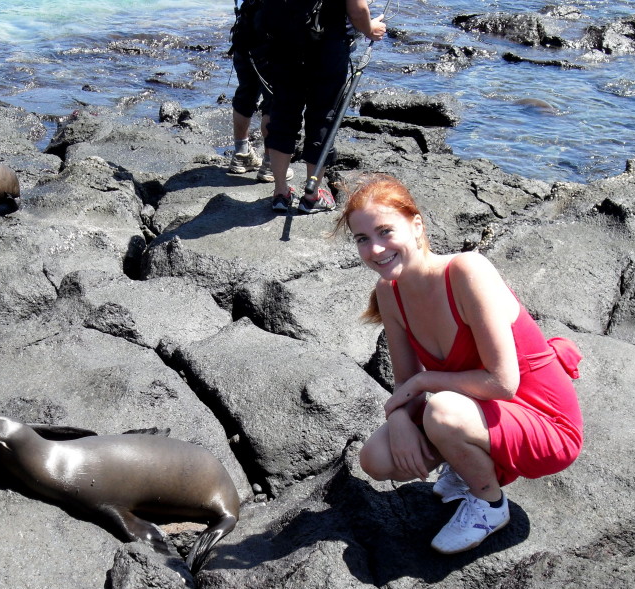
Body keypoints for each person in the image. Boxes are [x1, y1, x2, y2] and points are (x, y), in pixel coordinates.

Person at [339, 174, 584, 553]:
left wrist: (422, 386)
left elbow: (504, 384)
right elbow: (405, 379)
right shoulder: (389, 292)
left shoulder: (467, 271)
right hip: (482, 411)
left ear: (416, 225)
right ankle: (465, 460)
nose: (375, 249)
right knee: (375, 458)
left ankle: (489, 505)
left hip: (546, 424)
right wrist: (400, 418)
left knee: (441, 411)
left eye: (385, 231)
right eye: (362, 239)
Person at [259, 0, 386, 214]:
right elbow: (357, 10)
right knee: (322, 116)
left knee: (283, 114)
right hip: (327, 46)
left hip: (283, 42)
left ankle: (280, 192)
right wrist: (370, 29)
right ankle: (312, 196)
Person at [226, 0, 291, 181]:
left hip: (245, 29)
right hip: (271, 35)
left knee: (245, 93)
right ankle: (270, 164)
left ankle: (241, 154)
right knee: (274, 100)